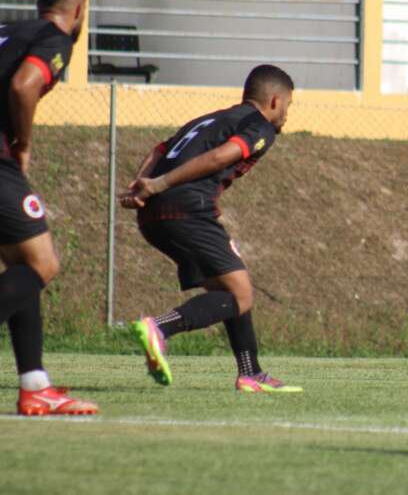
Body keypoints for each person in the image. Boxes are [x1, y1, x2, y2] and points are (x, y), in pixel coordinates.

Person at [119, 64, 302, 392]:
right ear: (275, 100)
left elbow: (160, 150)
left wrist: (140, 186)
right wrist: (157, 184)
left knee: (232, 285)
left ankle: (251, 372)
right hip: (187, 209)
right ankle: (159, 329)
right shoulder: (259, 127)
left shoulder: (212, 118)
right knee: (240, 295)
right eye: (289, 104)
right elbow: (221, 156)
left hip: (155, 214)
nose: (288, 113)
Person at [0, 0, 99, 415]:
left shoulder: (1, 33)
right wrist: (24, 144)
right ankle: (36, 387)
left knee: (22, 266)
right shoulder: (55, 37)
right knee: (43, 263)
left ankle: (35, 385)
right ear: (77, 8)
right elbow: (24, 84)